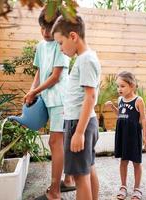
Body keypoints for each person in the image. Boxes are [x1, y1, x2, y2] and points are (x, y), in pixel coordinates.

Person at [23, 7, 75, 200]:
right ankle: (69, 180)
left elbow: (55, 76)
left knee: (56, 141)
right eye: (42, 28)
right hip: (47, 97)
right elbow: (39, 72)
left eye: (50, 29)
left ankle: (55, 192)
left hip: (61, 98)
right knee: (61, 141)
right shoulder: (40, 46)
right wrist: (31, 91)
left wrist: (35, 91)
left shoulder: (61, 45)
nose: (45, 33)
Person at [51, 15, 101, 200]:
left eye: (60, 42)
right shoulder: (84, 58)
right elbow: (82, 96)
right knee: (88, 168)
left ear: (73, 36)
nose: (60, 48)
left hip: (79, 125)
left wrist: (78, 132)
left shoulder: (86, 60)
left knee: (81, 178)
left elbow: (90, 96)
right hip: (80, 121)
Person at [105, 71, 146, 200]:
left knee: (136, 162)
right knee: (123, 161)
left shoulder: (138, 100)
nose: (119, 89)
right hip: (122, 134)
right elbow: (120, 114)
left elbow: (144, 119)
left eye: (122, 86)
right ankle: (123, 186)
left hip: (133, 135)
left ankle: (137, 188)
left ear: (132, 86)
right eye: (118, 86)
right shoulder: (120, 99)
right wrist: (113, 107)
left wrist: (145, 136)